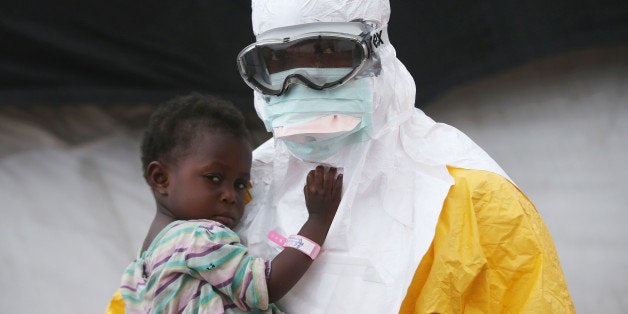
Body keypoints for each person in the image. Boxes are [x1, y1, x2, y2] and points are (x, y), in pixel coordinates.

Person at [234, 0, 575, 313]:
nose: (301, 82)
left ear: (376, 54)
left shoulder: (476, 200)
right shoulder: (241, 186)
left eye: (325, 51)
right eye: (278, 60)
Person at [107, 92, 343, 313]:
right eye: (214, 178)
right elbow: (266, 286)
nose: (230, 195)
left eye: (240, 184)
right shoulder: (196, 237)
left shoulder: (137, 271)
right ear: (161, 179)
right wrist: (317, 221)